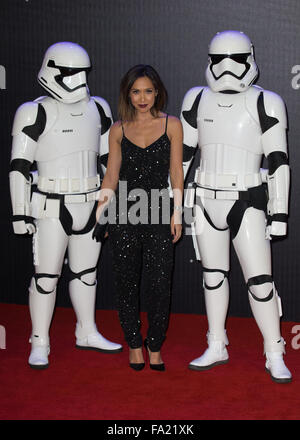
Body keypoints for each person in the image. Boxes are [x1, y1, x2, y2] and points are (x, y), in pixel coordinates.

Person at [181, 30, 291, 383]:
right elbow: (183, 157)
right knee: (212, 277)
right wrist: (179, 204)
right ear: (209, 61)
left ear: (250, 59)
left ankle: (274, 349)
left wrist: (280, 214)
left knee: (260, 282)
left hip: (247, 199)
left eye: (237, 60)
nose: (228, 68)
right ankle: (216, 343)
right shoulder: (197, 99)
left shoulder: (266, 102)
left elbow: (278, 161)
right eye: (219, 60)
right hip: (205, 197)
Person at [9, 42, 122, 369]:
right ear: (53, 70)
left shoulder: (97, 108)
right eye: (70, 73)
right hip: (50, 203)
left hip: (89, 201)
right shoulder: (35, 110)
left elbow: (107, 162)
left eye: (82, 73)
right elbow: (19, 165)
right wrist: (20, 212)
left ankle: (86, 330)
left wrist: (109, 203)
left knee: (87, 273)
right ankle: (39, 340)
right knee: (46, 276)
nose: (77, 80)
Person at [94, 64, 183, 371]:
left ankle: (155, 345)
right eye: (136, 91)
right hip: (124, 211)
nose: (142, 98)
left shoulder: (172, 125)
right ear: (127, 94)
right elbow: (111, 177)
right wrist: (100, 213)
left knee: (160, 285)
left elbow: (176, 173)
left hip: (159, 208)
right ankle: (133, 342)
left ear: (157, 92)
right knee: (127, 283)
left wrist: (178, 212)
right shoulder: (118, 129)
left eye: (148, 90)